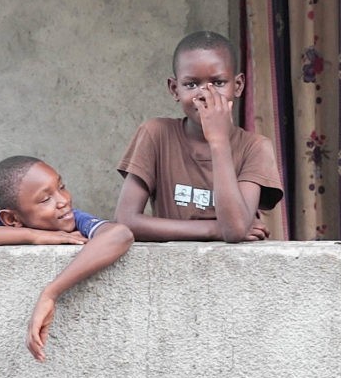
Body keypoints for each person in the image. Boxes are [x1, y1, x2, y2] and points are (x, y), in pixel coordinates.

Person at [0, 155, 133, 362]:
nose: (63, 200)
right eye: (46, 199)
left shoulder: (71, 218)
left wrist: (51, 293)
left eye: (61, 187)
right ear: (12, 219)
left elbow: (119, 235)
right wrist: (34, 235)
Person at [115, 30, 283, 242]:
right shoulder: (156, 135)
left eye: (219, 83)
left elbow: (233, 230)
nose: (205, 94)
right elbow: (125, 221)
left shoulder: (255, 147)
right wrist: (213, 229)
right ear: (175, 89)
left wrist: (219, 141)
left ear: (238, 86)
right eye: (191, 84)